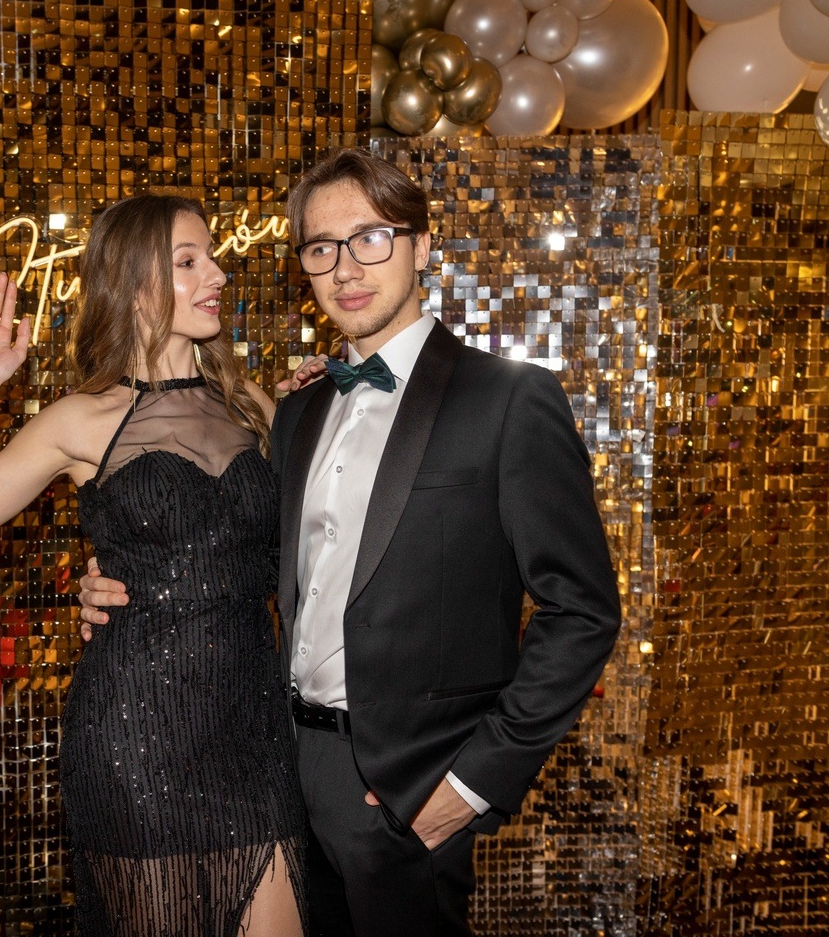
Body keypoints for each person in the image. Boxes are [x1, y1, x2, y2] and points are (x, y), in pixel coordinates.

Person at [78, 147, 622, 936]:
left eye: (371, 238)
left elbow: (583, 614)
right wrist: (114, 574)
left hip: (407, 789)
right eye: (321, 248)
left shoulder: (508, 399)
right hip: (272, 770)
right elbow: (227, 545)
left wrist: (469, 787)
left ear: (421, 246)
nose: (346, 268)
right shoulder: (297, 412)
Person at [0, 192, 308, 936]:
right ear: (136, 284)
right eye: (189, 261)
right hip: (138, 738)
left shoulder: (251, 404)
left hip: (255, 729)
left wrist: (325, 400)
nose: (217, 274)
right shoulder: (81, 419)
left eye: (212, 257)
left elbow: (315, 542)